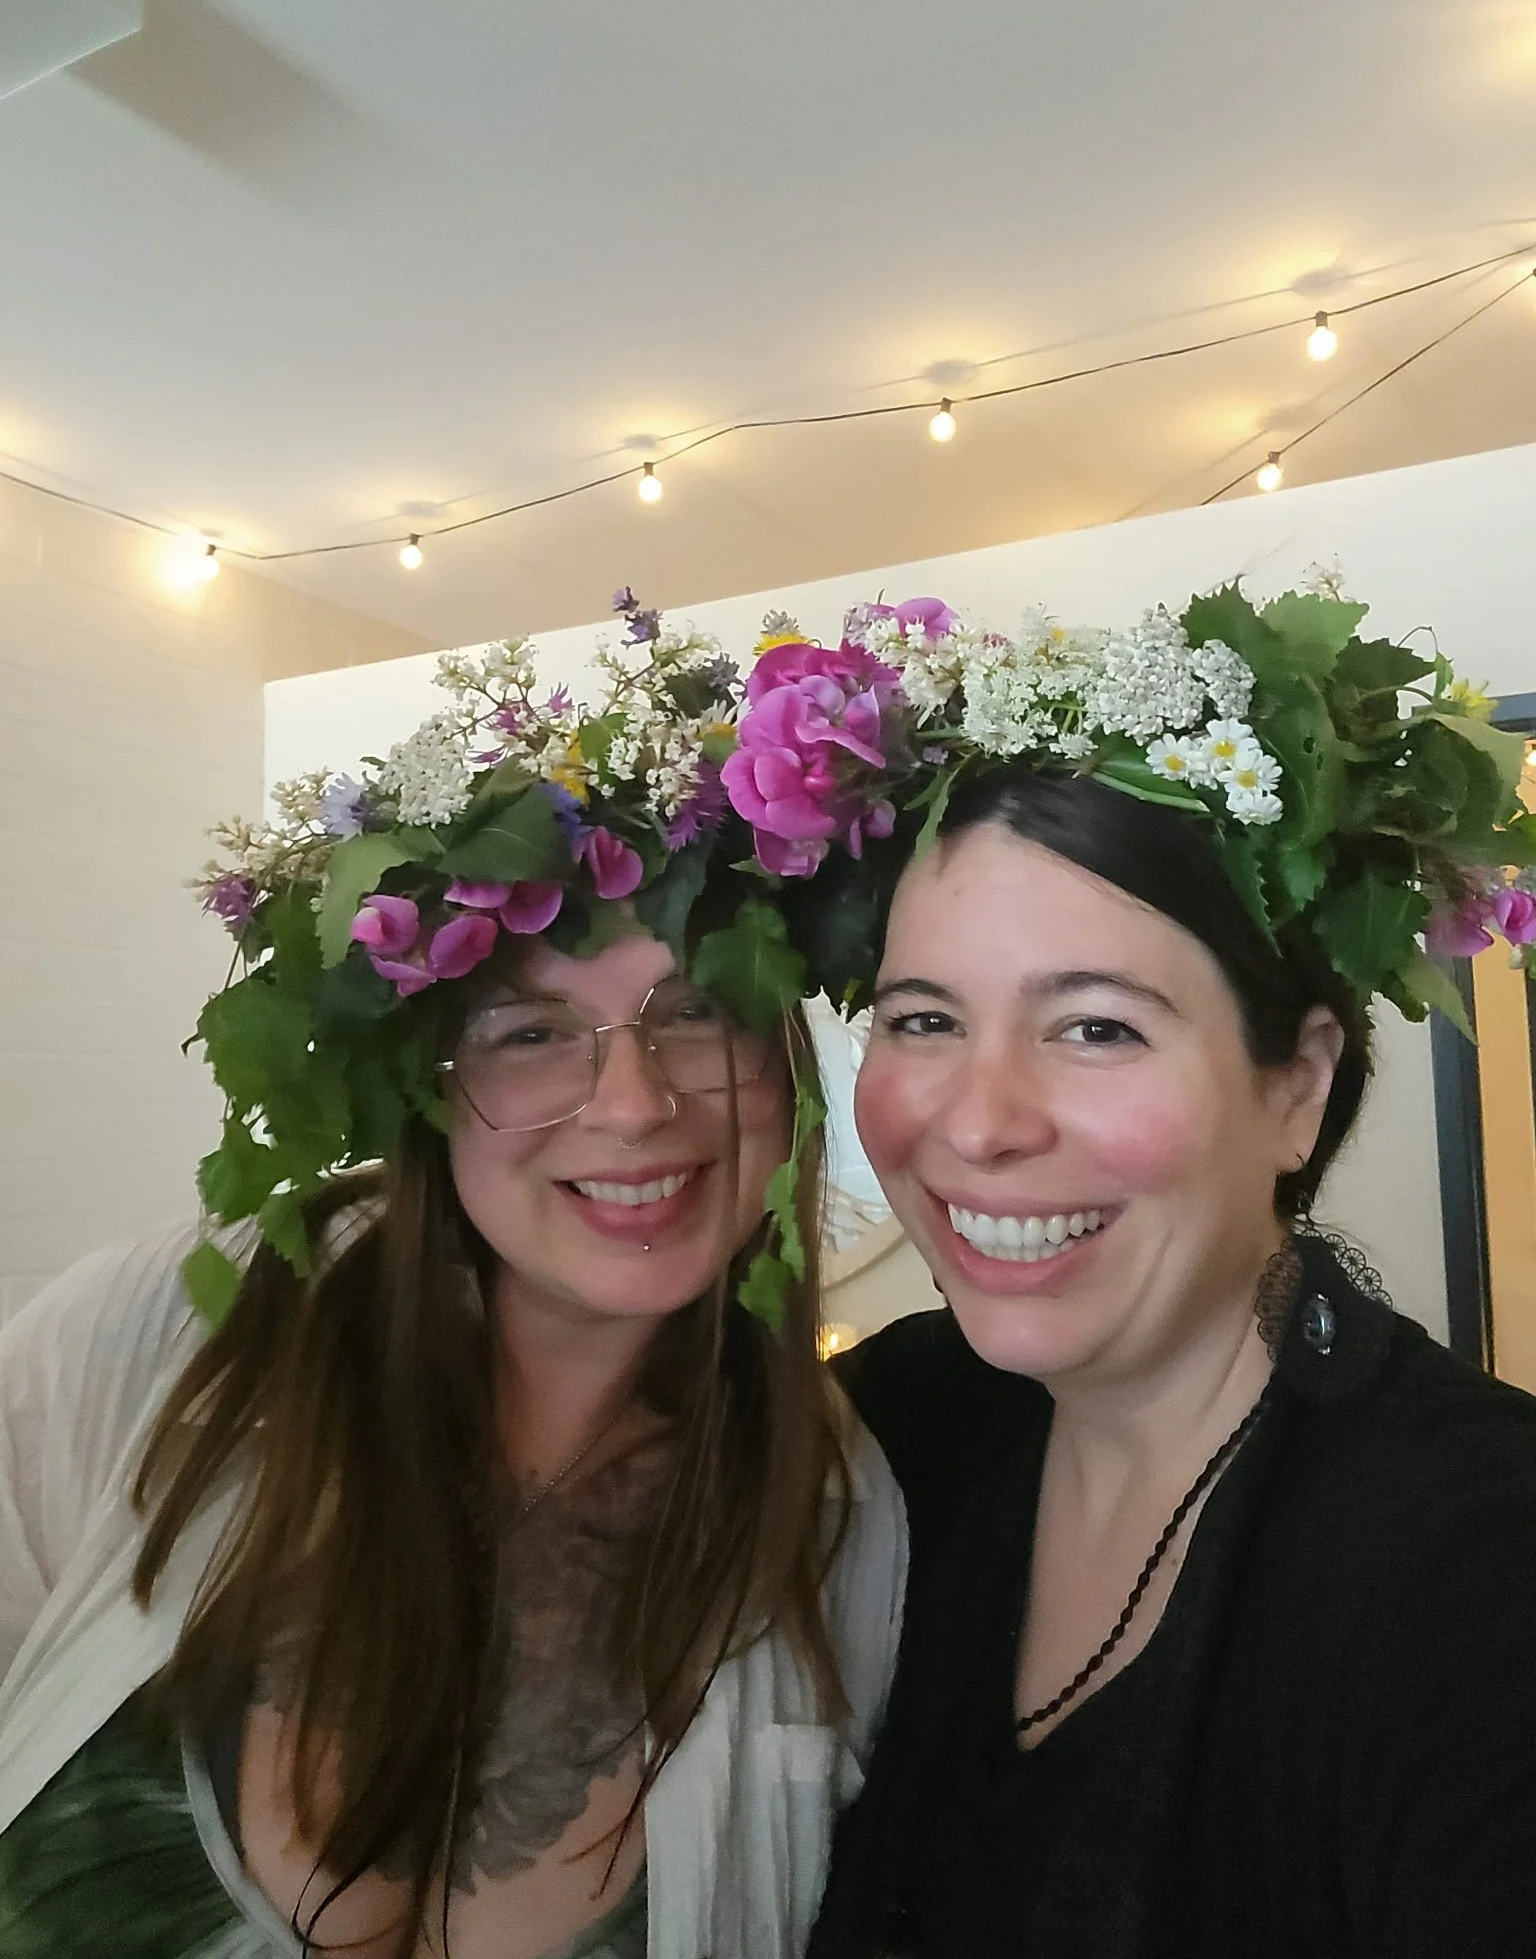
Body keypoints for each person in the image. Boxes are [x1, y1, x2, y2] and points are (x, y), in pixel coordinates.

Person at [0, 617, 906, 1959]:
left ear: (787, 1065)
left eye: (697, 1013)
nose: (634, 1104)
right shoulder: (165, 1341)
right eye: (534, 1032)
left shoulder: (836, 1524)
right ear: (432, 1092)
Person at [717, 583, 1536, 1956]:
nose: (979, 1122)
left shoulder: (1480, 1574)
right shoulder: (902, 1435)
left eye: (1094, 1029)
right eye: (925, 1019)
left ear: (1296, 1087)